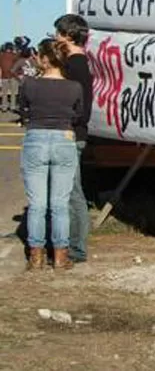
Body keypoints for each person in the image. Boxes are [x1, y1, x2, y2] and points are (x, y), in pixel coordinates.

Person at [18, 38, 83, 270]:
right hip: (64, 138)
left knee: (37, 203)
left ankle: (36, 256)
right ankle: (60, 255)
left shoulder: (28, 84)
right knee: (60, 203)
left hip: (36, 136)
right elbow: (78, 113)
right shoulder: (74, 87)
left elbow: (22, 109)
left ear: (44, 59)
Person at [54, 15, 92, 264]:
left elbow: (82, 106)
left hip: (71, 133)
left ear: (68, 35)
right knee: (68, 191)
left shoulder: (76, 64)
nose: (56, 38)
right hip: (72, 132)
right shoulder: (76, 62)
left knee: (72, 193)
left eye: (58, 33)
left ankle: (77, 248)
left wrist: (70, 123)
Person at [0, 42, 18, 112]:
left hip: (4, 76)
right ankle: (12, 107)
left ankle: (4, 107)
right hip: (13, 76)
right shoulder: (14, 55)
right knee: (13, 93)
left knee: (4, 93)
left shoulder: (1, 56)